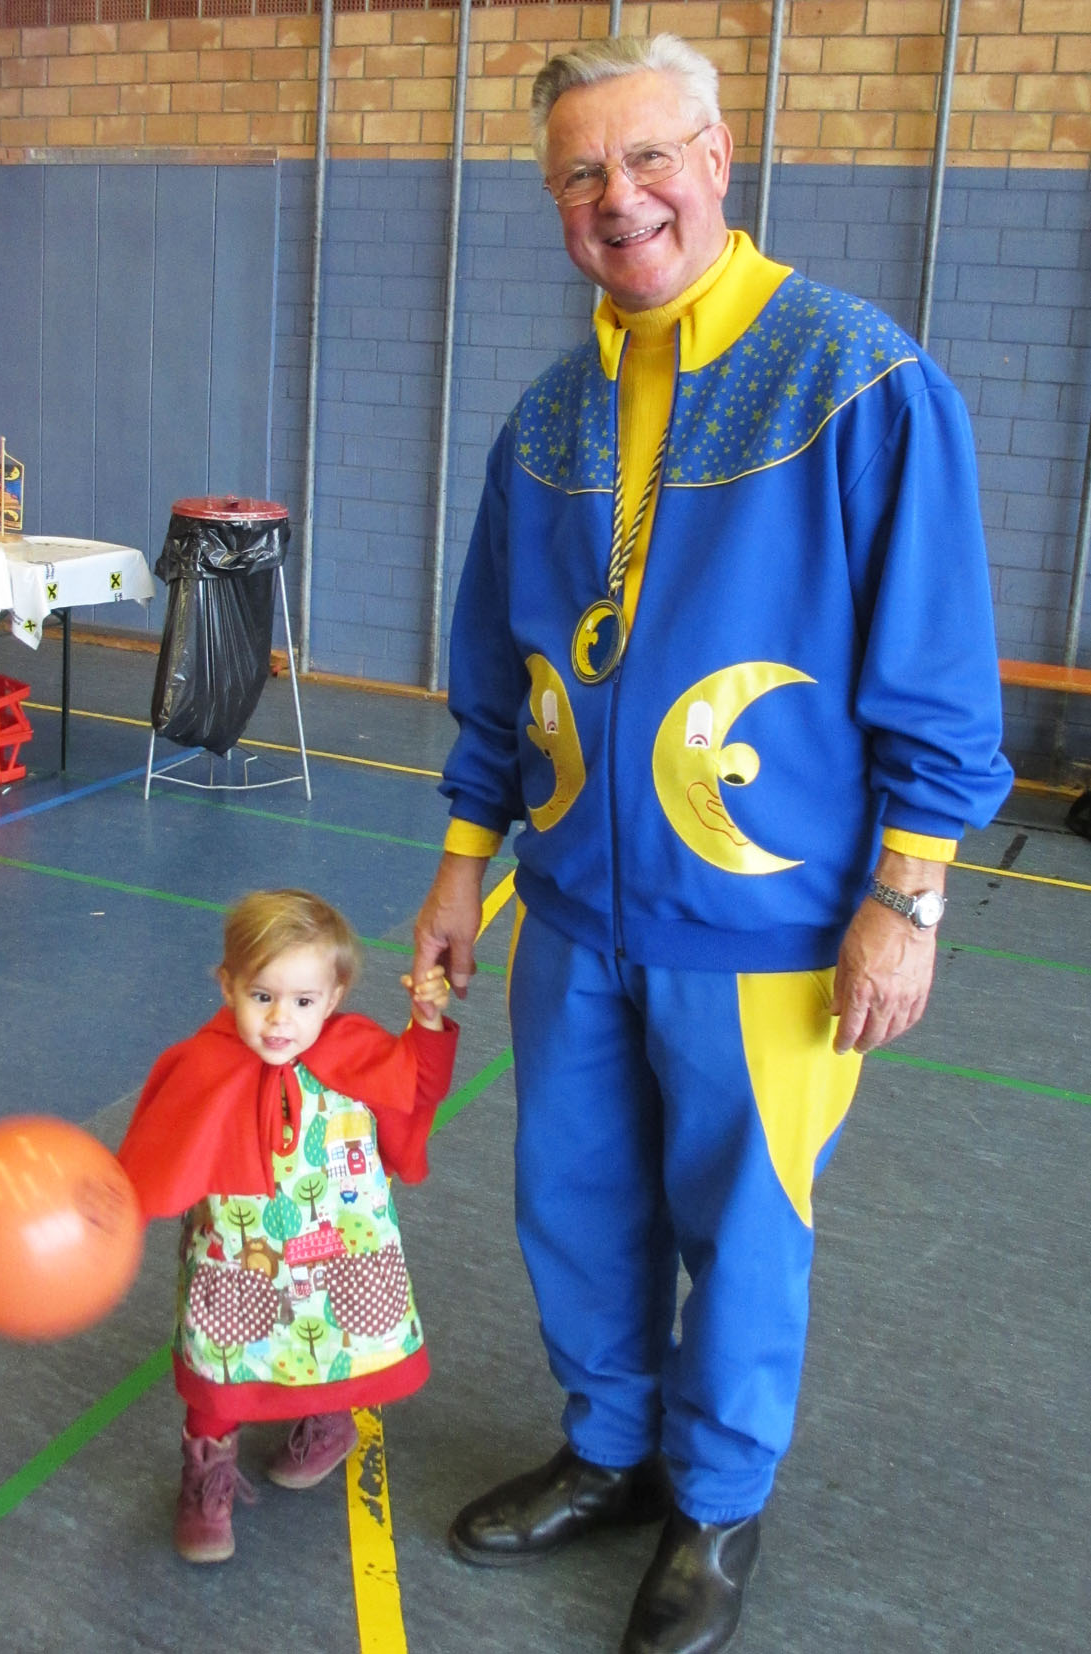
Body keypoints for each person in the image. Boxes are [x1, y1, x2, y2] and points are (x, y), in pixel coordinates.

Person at [411, 33, 1012, 1654]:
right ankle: (609, 1448)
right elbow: (495, 673)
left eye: (645, 158)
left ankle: (717, 1497)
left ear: (718, 158)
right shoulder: (546, 416)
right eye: (579, 174)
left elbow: (937, 676)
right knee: (572, 1196)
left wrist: (906, 897)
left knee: (742, 1228)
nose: (618, 198)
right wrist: (464, 861)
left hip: (767, 929)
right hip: (569, 914)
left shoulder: (857, 381)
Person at [118, 888, 458, 1565]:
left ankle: (327, 1418)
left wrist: (425, 1023)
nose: (281, 1020)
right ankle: (207, 1475)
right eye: (261, 996)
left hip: (341, 1249)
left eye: (303, 1001)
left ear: (333, 998)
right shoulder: (204, 1062)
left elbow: (414, 1087)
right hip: (238, 1258)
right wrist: (113, 1212)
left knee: (334, 1339)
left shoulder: (356, 1050)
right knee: (220, 1361)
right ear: (228, 986)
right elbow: (157, 1148)